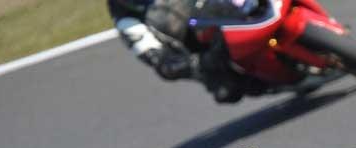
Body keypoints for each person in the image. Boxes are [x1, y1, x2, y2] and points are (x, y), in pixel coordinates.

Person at [108, 0, 260, 103]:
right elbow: (161, 62)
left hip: (235, 8)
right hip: (208, 48)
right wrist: (202, 62)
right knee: (227, 89)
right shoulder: (126, 18)